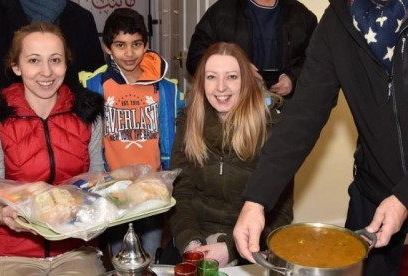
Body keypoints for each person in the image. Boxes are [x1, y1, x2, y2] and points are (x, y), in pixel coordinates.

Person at [233, 0, 408, 275]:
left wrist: (404, 197)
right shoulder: (336, 22)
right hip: (373, 188)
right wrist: (257, 200)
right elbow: (302, 115)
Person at [0, 22, 105, 275]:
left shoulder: (87, 114)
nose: (46, 72)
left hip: (75, 248)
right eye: (34, 60)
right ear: (16, 67)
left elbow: (96, 184)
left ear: (66, 63)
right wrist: (6, 215)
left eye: (55, 60)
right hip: (12, 251)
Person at [165, 42, 293, 267]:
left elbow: (281, 215)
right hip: (195, 234)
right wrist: (191, 244)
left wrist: (230, 248)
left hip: (249, 241)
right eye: (212, 77)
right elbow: (180, 193)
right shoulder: (189, 121)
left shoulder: (272, 127)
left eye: (232, 77)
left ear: (245, 81)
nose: (220, 87)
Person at [79, 8, 185, 260]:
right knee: (120, 257)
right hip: (113, 188)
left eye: (136, 44)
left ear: (146, 45)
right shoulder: (94, 85)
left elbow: (180, 130)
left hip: (153, 188)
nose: (129, 53)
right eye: (120, 45)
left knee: (148, 252)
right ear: (108, 48)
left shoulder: (164, 88)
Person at [0, 0, 105, 171]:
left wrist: (98, 135)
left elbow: (94, 83)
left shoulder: (82, 18)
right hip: (8, 149)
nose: (46, 71)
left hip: (73, 149)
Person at [186, 0, 317, 98]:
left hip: (285, 112)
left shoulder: (303, 17)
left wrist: (293, 78)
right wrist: (237, 70)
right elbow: (195, 58)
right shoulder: (221, 12)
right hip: (232, 110)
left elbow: (317, 61)